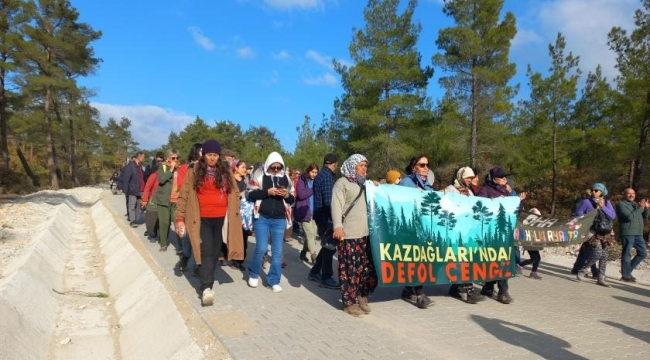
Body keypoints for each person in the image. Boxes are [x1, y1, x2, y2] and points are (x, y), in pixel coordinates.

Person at [175, 139, 244, 306]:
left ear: (218, 156)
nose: (212, 158)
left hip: (221, 218)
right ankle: (207, 287)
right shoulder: (194, 171)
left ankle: (204, 274)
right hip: (201, 218)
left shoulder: (225, 171)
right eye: (208, 154)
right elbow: (184, 195)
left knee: (215, 253)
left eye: (215, 155)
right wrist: (179, 218)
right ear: (203, 155)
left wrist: (236, 205)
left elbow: (235, 191)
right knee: (206, 250)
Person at [332, 154, 377, 317]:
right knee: (350, 270)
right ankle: (349, 303)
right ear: (352, 166)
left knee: (367, 269)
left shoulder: (366, 185)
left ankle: (362, 295)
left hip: (365, 234)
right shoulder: (342, 183)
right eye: (361, 165)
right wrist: (338, 226)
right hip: (348, 234)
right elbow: (336, 205)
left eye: (366, 165)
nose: (364, 168)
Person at [246, 151, 295, 293]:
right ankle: (254, 273)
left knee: (277, 251)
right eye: (273, 167)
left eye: (278, 167)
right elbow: (251, 194)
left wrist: (285, 194)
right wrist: (267, 192)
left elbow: (292, 199)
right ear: (268, 165)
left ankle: (274, 280)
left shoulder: (285, 178)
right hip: (262, 217)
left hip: (279, 218)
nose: (275, 170)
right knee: (261, 248)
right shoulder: (259, 175)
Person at [476, 166, 526, 304]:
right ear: (493, 178)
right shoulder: (485, 190)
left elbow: (514, 213)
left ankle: (492, 288)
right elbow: (478, 207)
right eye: (502, 176)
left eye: (505, 177)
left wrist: (520, 202)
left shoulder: (507, 192)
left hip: (504, 233)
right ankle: (499, 290)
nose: (505, 179)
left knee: (502, 260)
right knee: (494, 260)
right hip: (490, 232)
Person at [444, 166, 486, 304]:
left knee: (465, 261)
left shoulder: (469, 192)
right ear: (461, 177)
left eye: (471, 178)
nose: (470, 180)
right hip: (454, 232)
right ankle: (470, 293)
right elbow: (445, 205)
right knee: (462, 260)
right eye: (468, 177)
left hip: (466, 231)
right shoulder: (451, 189)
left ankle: (456, 288)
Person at [399, 155, 435, 309]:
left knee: (420, 259)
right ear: (414, 167)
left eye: (427, 164)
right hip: (410, 227)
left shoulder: (428, 185)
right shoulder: (407, 181)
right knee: (416, 259)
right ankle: (420, 294)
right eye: (422, 165)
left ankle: (408, 289)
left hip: (424, 227)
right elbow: (401, 201)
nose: (426, 167)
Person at [308, 153, 341, 290]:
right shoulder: (327, 177)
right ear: (335, 164)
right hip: (326, 217)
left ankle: (315, 272)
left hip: (319, 215)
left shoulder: (321, 175)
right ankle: (326, 277)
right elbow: (328, 201)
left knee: (327, 246)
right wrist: (335, 217)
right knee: (330, 248)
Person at [573, 182, 616, 287]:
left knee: (604, 256)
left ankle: (601, 278)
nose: (593, 192)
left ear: (602, 192)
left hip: (605, 231)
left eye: (596, 190)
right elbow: (578, 214)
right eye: (592, 189)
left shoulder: (606, 202)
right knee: (597, 253)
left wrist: (602, 207)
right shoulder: (586, 202)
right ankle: (583, 269)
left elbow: (613, 216)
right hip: (592, 232)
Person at [615, 187, 649, 282]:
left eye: (633, 193)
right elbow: (629, 217)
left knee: (643, 253)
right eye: (629, 193)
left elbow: (644, 216)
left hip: (638, 233)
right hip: (627, 232)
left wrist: (646, 208)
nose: (631, 195)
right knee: (627, 253)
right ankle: (626, 275)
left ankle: (626, 271)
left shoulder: (635, 205)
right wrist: (640, 208)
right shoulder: (621, 204)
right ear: (624, 195)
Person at [153, 150, 180, 252]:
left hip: (177, 201)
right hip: (164, 200)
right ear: (168, 158)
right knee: (164, 222)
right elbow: (161, 180)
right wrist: (171, 170)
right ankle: (163, 243)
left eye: (177, 158)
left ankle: (181, 246)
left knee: (178, 222)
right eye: (173, 158)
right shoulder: (163, 167)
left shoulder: (181, 169)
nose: (175, 160)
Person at [229, 158, 252, 271]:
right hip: (234, 212)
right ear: (235, 168)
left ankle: (240, 259)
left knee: (244, 237)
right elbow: (230, 196)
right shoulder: (230, 181)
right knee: (236, 236)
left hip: (245, 213)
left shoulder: (245, 180)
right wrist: (240, 194)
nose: (244, 169)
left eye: (245, 167)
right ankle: (235, 260)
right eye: (242, 167)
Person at [296, 164, 319, 265]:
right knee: (310, 235)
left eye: (316, 172)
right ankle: (314, 257)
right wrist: (313, 189)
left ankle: (303, 252)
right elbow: (301, 195)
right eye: (312, 172)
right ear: (308, 171)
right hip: (304, 212)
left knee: (312, 235)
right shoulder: (302, 180)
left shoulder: (317, 181)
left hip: (315, 212)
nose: (314, 174)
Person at [518, 207, 544, 280]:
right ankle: (519, 265)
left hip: (533, 243)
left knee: (537, 258)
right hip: (528, 243)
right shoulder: (527, 222)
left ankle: (533, 272)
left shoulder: (536, 223)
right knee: (535, 258)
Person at [123, 152, 145, 228]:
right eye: (143, 157)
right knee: (132, 206)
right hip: (133, 189)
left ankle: (136, 219)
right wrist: (125, 190)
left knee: (139, 206)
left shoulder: (140, 166)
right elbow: (126, 179)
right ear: (139, 157)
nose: (143, 159)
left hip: (141, 189)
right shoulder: (131, 166)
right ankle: (132, 221)